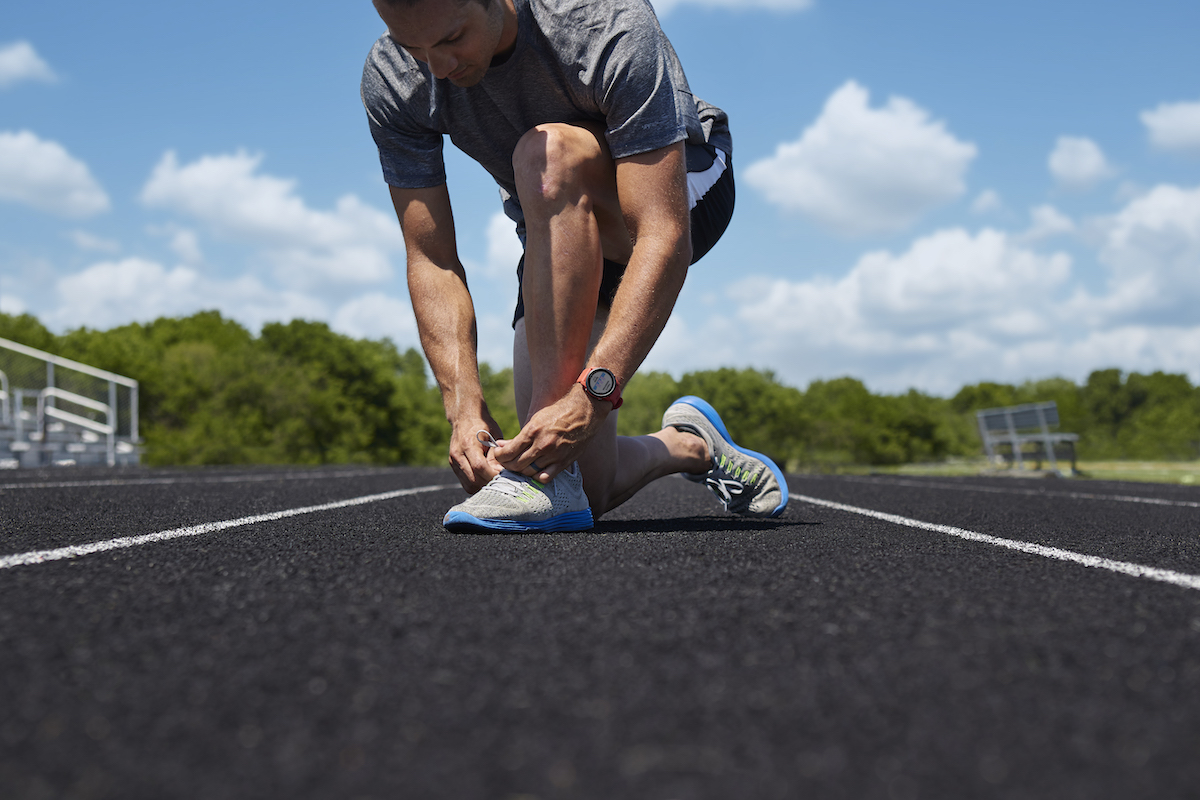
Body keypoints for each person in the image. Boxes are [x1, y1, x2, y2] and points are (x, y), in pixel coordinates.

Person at [361, 0, 788, 532]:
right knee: (577, 479)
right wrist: (463, 405)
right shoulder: (393, 78)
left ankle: (553, 449)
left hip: (678, 193)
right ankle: (691, 446)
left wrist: (594, 394)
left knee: (547, 152)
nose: (436, 68)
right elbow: (432, 259)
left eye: (451, 39)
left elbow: (663, 235)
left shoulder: (604, 22)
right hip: (557, 223)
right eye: (413, 48)